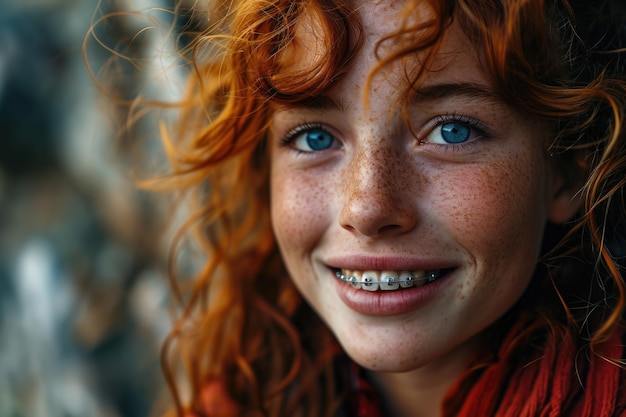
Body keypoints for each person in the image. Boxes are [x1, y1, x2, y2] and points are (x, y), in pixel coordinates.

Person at [147, 0, 626, 416]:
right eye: (315, 137)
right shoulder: (241, 398)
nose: (368, 207)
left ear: (568, 173)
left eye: (451, 131)